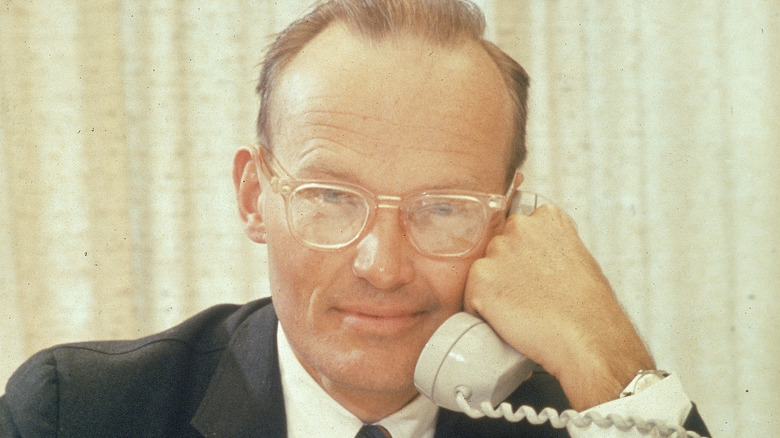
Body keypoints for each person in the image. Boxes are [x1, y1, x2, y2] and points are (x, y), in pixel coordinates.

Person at [0, 0, 710, 437]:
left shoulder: (586, 422)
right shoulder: (78, 414)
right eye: (331, 197)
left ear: (510, 220)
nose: (383, 266)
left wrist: (617, 372)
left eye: (443, 208)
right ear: (255, 196)